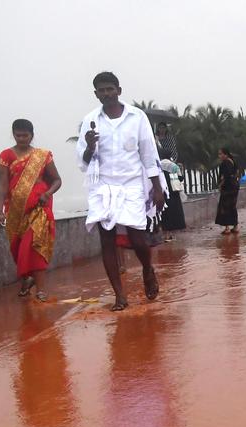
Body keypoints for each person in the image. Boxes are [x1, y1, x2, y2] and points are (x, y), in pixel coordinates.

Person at [76, 72, 165, 311]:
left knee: (137, 239)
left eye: (110, 89)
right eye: (101, 90)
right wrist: (90, 146)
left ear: (119, 90)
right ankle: (119, 295)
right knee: (107, 240)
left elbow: (148, 154)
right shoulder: (90, 120)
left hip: (132, 184)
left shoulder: (137, 117)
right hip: (103, 186)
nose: (106, 94)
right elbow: (84, 162)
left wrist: (157, 188)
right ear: (96, 94)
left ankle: (147, 269)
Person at [0, 119, 62, 301]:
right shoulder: (6, 156)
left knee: (34, 247)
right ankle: (28, 279)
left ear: (32, 135)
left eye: (25, 135)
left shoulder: (42, 155)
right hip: (16, 211)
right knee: (18, 249)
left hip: (39, 208)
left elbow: (57, 180)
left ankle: (41, 289)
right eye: (18, 135)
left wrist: (47, 194)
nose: (22, 138)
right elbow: (2, 185)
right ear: (13, 134)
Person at [158, 149, 186, 240]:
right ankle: (171, 234)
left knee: (165, 213)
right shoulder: (174, 165)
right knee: (173, 213)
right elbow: (180, 178)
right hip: (173, 192)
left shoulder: (158, 165)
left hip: (163, 192)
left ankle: (165, 234)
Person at [215, 148, 239, 234]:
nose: (219, 156)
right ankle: (235, 227)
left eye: (221, 154)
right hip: (234, 187)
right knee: (232, 206)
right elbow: (236, 173)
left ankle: (227, 228)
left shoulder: (225, 163)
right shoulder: (233, 161)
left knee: (224, 207)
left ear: (226, 154)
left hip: (227, 188)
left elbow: (225, 176)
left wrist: (221, 185)